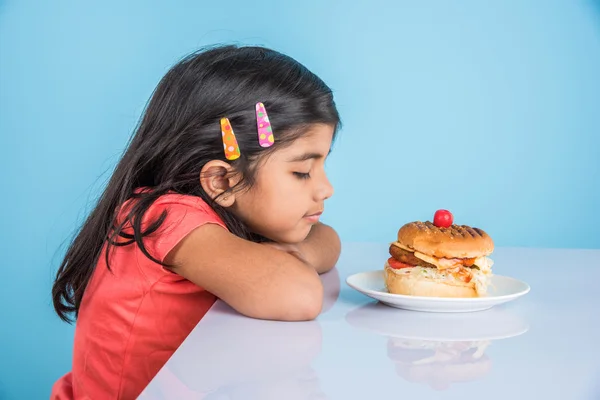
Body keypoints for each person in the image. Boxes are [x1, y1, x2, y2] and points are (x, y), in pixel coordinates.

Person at [50, 44, 342, 399]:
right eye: (302, 172)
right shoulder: (165, 218)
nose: (326, 188)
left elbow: (329, 242)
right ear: (222, 181)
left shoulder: (225, 212)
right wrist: (286, 260)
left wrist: (290, 251)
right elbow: (299, 295)